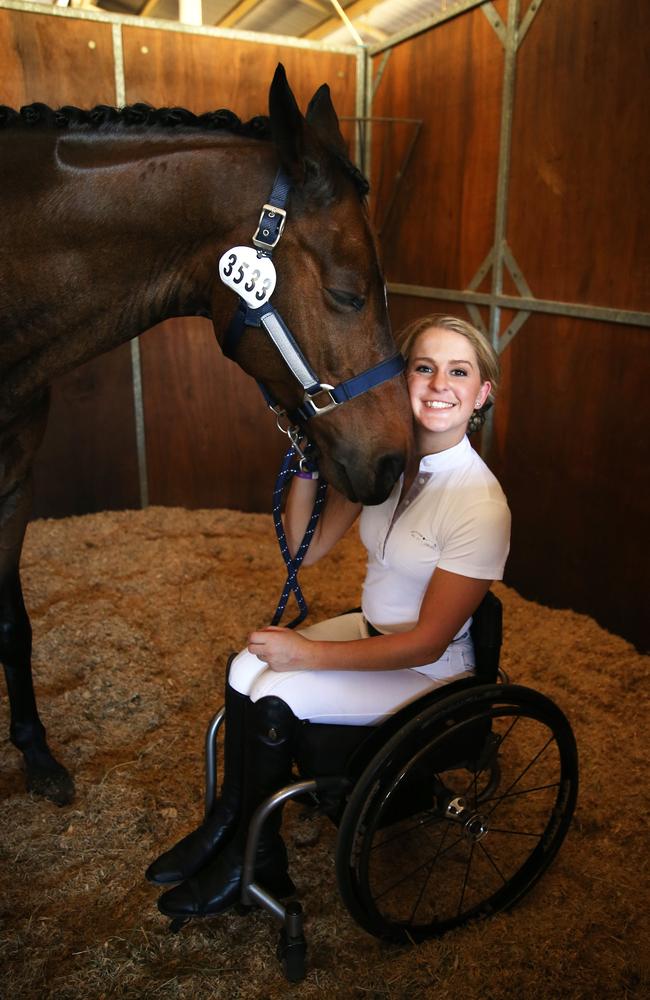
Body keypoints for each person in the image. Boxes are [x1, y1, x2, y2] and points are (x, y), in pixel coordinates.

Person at [147, 314, 511, 920]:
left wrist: (308, 654)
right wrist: (311, 464)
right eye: (424, 367)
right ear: (403, 381)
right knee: (245, 668)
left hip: (430, 672)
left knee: (278, 690)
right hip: (372, 630)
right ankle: (230, 828)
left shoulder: (481, 504)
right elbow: (305, 549)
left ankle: (256, 860)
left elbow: (424, 644)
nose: (438, 384)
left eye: (459, 372)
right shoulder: (387, 462)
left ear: (481, 394)